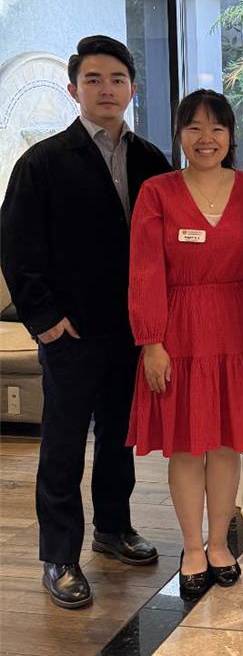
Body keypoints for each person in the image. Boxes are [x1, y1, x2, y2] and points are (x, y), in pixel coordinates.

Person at [0, 35, 170, 609]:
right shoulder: (43, 162)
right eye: (93, 80)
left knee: (121, 438)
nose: (106, 89)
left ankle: (114, 529)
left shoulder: (151, 160)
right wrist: (45, 320)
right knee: (65, 444)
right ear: (74, 89)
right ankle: (60, 555)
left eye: (117, 79)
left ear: (132, 89)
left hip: (132, 330)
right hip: (71, 334)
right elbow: (18, 248)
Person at [127, 90, 243, 598]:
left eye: (216, 128)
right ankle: (192, 547)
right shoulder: (158, 192)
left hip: (237, 327)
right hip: (179, 332)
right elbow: (145, 271)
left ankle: (219, 543)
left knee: (228, 443)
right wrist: (151, 341)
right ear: (179, 134)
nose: (205, 138)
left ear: (231, 135)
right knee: (188, 446)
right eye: (193, 127)